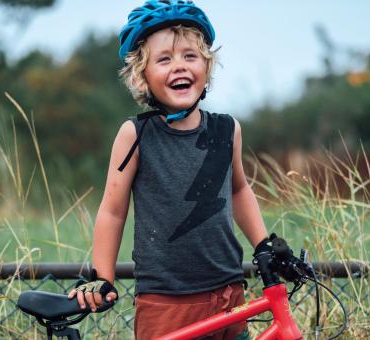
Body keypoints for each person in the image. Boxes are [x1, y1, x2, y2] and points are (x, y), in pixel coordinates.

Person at [68, 1, 270, 338]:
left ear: (207, 65)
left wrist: (263, 244)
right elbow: (113, 211)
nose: (179, 66)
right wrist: (102, 277)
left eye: (190, 56)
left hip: (228, 292)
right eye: (164, 59)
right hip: (166, 301)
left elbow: (238, 189)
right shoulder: (135, 135)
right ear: (141, 76)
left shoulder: (227, 129)